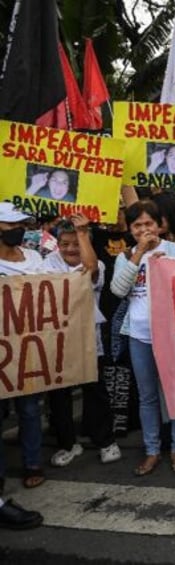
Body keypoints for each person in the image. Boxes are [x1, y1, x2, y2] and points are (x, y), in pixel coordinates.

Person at [110, 201, 175, 476]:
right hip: (139, 335)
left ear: (160, 225)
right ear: (130, 230)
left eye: (149, 224)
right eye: (137, 225)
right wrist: (139, 255)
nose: (144, 229)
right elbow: (118, 290)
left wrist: (167, 266)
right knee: (147, 396)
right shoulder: (125, 257)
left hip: (172, 336)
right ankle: (152, 451)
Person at [44, 216, 122, 467]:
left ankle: (105, 441)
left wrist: (82, 233)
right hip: (56, 340)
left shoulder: (96, 261)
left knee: (95, 391)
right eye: (64, 243)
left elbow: (90, 269)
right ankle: (68, 443)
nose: (69, 249)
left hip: (88, 337)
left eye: (75, 243)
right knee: (59, 395)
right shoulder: (48, 262)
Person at [0, 203, 48, 491]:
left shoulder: (32, 257)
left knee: (29, 409)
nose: (18, 230)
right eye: (11, 225)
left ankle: (33, 463)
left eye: (21, 224)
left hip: (30, 344)